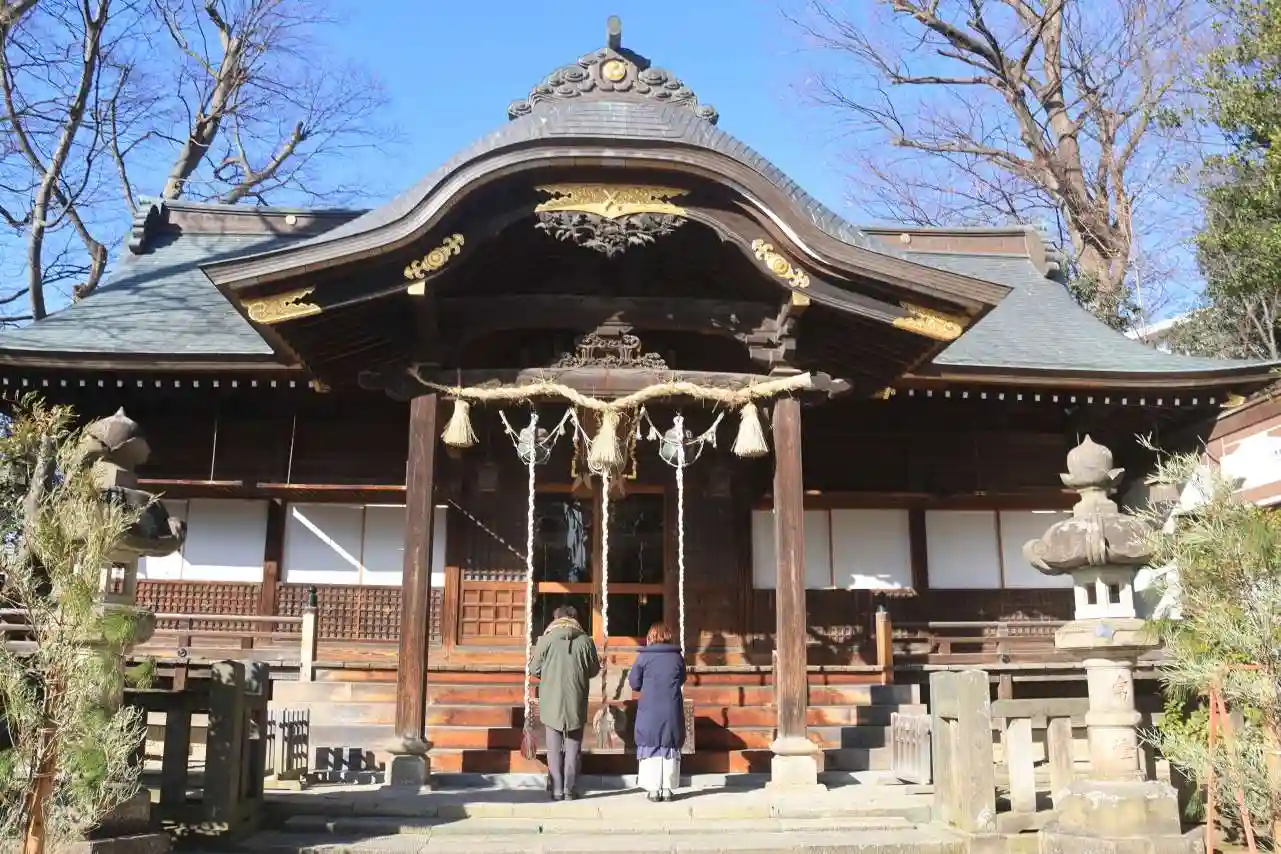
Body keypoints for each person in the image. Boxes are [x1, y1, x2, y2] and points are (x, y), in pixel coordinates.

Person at [532, 604, 600, 801]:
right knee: (573, 748)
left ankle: (557, 790)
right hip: (576, 698)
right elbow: (594, 670)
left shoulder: (546, 640)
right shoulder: (586, 641)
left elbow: (534, 669)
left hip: (551, 698)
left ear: (556, 618)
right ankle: (569, 789)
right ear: (575, 618)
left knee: (553, 748)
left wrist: (549, 674)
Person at [628, 622, 686, 802]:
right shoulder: (677, 658)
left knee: (650, 744)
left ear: (650, 637)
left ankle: (653, 790)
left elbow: (634, 682)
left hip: (650, 708)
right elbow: (682, 679)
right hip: (671, 707)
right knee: (669, 744)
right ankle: (667, 789)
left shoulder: (644, 657)